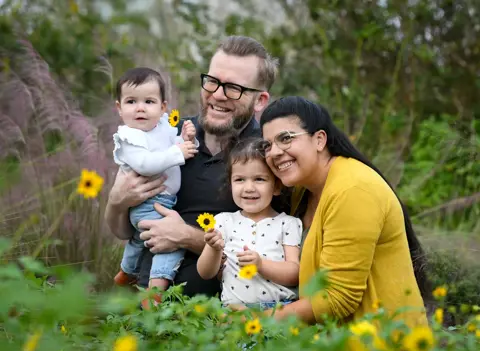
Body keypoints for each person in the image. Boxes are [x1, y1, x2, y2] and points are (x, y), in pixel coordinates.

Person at [104, 36, 279, 299]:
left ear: (260, 100)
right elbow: (125, 230)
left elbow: (270, 254)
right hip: (141, 307)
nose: (217, 95)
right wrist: (116, 202)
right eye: (212, 81)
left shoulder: (267, 154)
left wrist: (186, 236)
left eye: (233, 88)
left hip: (214, 322)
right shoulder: (167, 135)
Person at [258, 96, 429, 327]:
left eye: (285, 139)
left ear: (319, 140)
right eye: (267, 145)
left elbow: (338, 298)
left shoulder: (353, 190)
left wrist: (255, 322)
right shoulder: (303, 190)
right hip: (331, 342)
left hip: (380, 344)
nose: (274, 152)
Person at [111, 67, 198, 299]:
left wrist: (186, 139)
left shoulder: (161, 129)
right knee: (169, 242)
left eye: (149, 101)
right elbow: (145, 164)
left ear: (163, 108)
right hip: (149, 202)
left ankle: (126, 271)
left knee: (139, 239)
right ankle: (155, 291)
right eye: (131, 101)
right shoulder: (130, 137)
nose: (140, 108)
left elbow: (174, 146)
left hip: (160, 200)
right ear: (119, 108)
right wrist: (179, 152)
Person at [197, 137, 302, 309]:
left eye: (259, 179)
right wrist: (214, 248)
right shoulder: (223, 221)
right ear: (230, 184)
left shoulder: (288, 223)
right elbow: (205, 273)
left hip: (279, 311)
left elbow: (294, 274)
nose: (249, 188)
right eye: (240, 179)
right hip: (234, 311)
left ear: (276, 186)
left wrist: (261, 265)